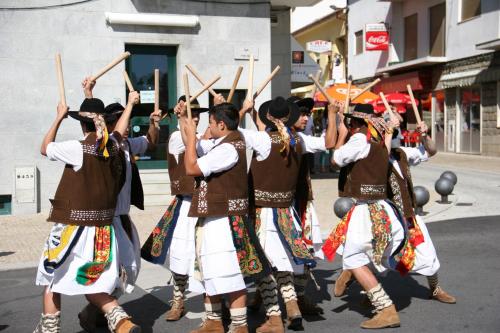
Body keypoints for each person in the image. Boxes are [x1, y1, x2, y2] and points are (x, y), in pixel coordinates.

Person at [34, 87, 141, 333]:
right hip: (103, 230)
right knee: (89, 279)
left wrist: (59, 116)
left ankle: (49, 329)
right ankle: (120, 321)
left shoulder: (78, 148)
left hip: (73, 229)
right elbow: (119, 130)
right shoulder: (114, 146)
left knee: (52, 276)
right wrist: (130, 105)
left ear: (83, 125)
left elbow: (45, 147)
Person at [242, 96, 337, 331]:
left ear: (268, 118)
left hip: (265, 214)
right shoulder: (298, 140)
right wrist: (333, 115)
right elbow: (329, 142)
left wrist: (243, 111)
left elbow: (230, 133)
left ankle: (275, 317)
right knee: (282, 260)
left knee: (263, 262)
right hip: (287, 212)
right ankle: (292, 306)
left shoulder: (262, 140)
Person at [77, 77, 161, 331]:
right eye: (123, 123)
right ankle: (114, 317)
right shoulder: (102, 146)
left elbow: (151, 141)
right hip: (102, 221)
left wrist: (153, 123)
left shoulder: (125, 145)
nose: (126, 128)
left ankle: (94, 313)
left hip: (122, 218)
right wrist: (90, 93)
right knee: (104, 271)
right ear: (110, 125)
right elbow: (94, 127)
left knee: (129, 270)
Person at [179, 102, 271, 333]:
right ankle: (213, 321)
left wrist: (191, 138)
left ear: (221, 124)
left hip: (226, 220)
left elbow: (191, 167)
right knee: (210, 267)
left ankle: (239, 325)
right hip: (216, 217)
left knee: (229, 270)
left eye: (210, 123)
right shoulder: (224, 143)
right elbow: (197, 147)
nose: (208, 128)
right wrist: (184, 122)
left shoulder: (228, 149)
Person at [322, 104, 407, 329]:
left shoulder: (360, 140)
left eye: (351, 124)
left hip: (366, 211)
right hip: (381, 207)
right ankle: (371, 296)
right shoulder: (381, 141)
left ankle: (385, 308)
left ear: (356, 124)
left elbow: (335, 160)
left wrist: (341, 135)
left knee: (353, 258)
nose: (349, 127)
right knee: (361, 255)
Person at [141, 96, 210, 322]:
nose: (196, 117)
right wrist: (182, 120)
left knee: (208, 255)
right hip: (186, 204)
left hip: (207, 205)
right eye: (192, 113)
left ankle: (215, 307)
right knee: (181, 255)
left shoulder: (207, 137)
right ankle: (178, 300)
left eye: (197, 114)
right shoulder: (175, 138)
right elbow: (186, 141)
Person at [383, 115, 456, 304]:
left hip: (408, 216)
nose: (395, 136)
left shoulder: (402, 153)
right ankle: (371, 292)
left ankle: (434, 288)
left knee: (426, 252)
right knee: (375, 258)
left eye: (396, 132)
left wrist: (425, 136)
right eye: (391, 131)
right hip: (383, 219)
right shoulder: (371, 156)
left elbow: (431, 151)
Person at [288, 96, 341, 315]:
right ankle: (265, 299)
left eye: (307, 114)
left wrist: (331, 115)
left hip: (299, 204)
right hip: (272, 206)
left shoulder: (301, 139)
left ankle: (298, 299)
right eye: (302, 114)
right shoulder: (268, 137)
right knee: (274, 254)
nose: (306, 118)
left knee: (303, 253)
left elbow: (329, 143)